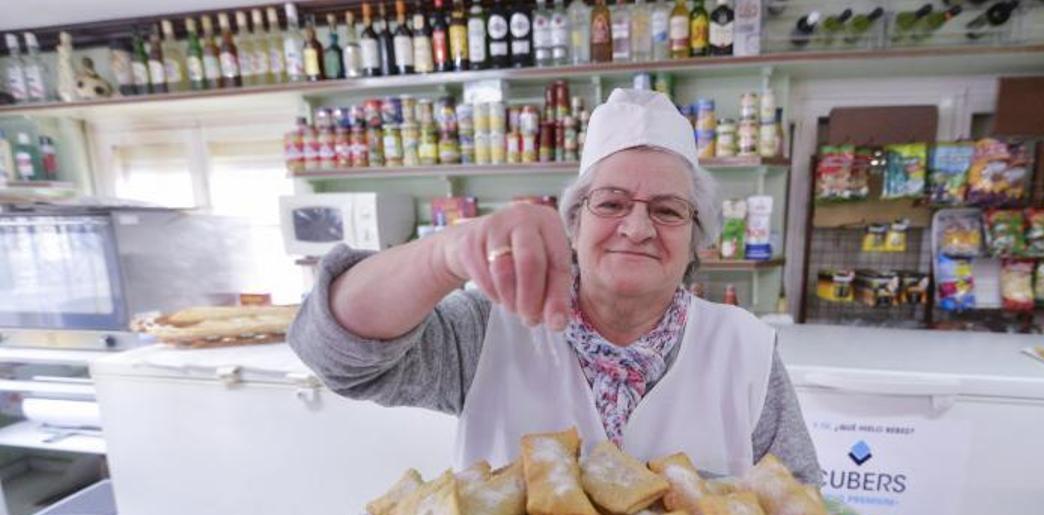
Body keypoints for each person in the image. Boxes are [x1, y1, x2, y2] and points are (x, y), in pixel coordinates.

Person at [288, 88, 819, 481]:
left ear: (695, 236)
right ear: (574, 223)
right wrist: (446, 253)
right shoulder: (491, 328)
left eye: (668, 210)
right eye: (611, 203)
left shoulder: (745, 348)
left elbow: (798, 507)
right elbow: (332, 353)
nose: (637, 228)